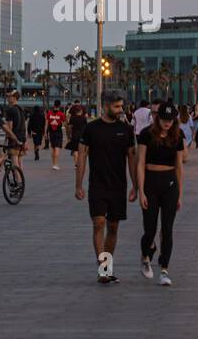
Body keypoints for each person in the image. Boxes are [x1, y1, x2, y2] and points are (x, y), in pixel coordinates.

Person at [76, 92, 137, 285]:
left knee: (113, 227)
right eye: (117, 107)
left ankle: (107, 267)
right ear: (105, 106)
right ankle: (103, 269)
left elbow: (132, 159)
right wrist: (78, 184)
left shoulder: (126, 130)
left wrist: (136, 186)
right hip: (97, 186)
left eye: (121, 107)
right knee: (98, 223)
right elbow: (82, 156)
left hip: (118, 186)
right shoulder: (90, 129)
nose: (120, 110)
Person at [135, 100, 183, 286]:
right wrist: (141, 191)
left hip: (170, 184)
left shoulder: (177, 137)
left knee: (167, 228)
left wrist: (180, 193)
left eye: (170, 119)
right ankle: (147, 253)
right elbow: (140, 163)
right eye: (164, 118)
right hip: (150, 183)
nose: (167, 122)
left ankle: (164, 269)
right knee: (150, 229)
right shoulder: (147, 134)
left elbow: (179, 167)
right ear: (157, 118)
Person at [2, 90, 28, 170]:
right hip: (22, 138)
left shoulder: (10, 110)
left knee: (14, 162)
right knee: (20, 160)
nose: (8, 98)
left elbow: (10, 128)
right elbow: (24, 125)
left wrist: (6, 138)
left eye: (10, 96)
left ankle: (18, 181)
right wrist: (25, 139)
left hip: (14, 139)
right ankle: (21, 180)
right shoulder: (21, 109)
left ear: (14, 98)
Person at [46, 100, 66, 170]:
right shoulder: (61, 114)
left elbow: (46, 123)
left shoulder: (49, 113)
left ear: (54, 105)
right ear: (59, 106)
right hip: (58, 132)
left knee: (53, 148)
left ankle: (53, 164)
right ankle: (56, 164)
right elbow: (64, 123)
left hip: (51, 132)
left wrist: (45, 133)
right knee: (57, 148)